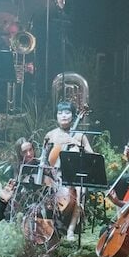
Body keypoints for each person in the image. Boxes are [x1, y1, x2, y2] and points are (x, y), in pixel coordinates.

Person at [42, 101, 93, 241]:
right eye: (60, 113)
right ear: (56, 116)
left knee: (80, 191)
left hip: (74, 176)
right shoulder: (50, 135)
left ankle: (71, 229)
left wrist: (78, 145)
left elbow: (91, 156)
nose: (63, 116)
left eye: (67, 112)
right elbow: (44, 158)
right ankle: (48, 225)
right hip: (55, 175)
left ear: (73, 115)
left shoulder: (80, 136)